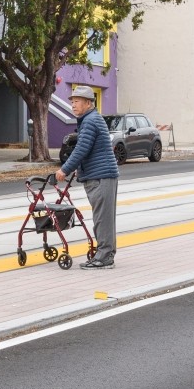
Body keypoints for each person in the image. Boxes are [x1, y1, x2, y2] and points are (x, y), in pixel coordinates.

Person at [54, 86, 119, 269]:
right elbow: (91, 150)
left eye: (76, 101)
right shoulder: (90, 119)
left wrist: (64, 170)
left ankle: (105, 258)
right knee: (103, 218)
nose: (72, 105)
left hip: (101, 177)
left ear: (88, 103)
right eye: (72, 101)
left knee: (102, 219)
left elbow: (82, 149)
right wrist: (80, 169)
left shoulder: (90, 121)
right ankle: (105, 254)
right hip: (101, 175)